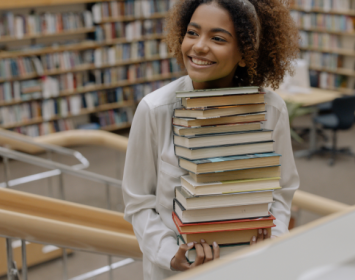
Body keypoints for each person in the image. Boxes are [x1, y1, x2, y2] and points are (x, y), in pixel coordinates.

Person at [122, 0, 300, 279]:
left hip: (248, 267)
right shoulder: (155, 109)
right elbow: (138, 201)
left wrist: (272, 242)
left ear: (245, 53)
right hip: (178, 271)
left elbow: (282, 190)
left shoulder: (271, 110)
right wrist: (170, 254)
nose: (199, 46)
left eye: (217, 38)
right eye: (192, 33)